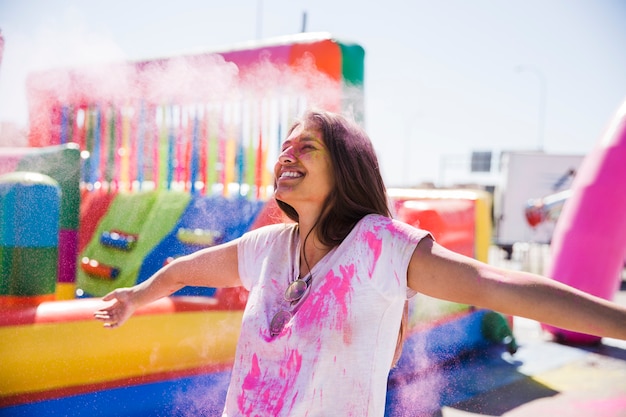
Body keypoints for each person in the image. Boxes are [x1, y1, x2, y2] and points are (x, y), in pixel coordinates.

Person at [94, 108, 626, 417]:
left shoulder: (380, 246)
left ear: (345, 168)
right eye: (285, 147)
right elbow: (186, 270)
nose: (288, 156)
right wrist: (135, 298)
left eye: (307, 147)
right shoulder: (268, 247)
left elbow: (497, 284)